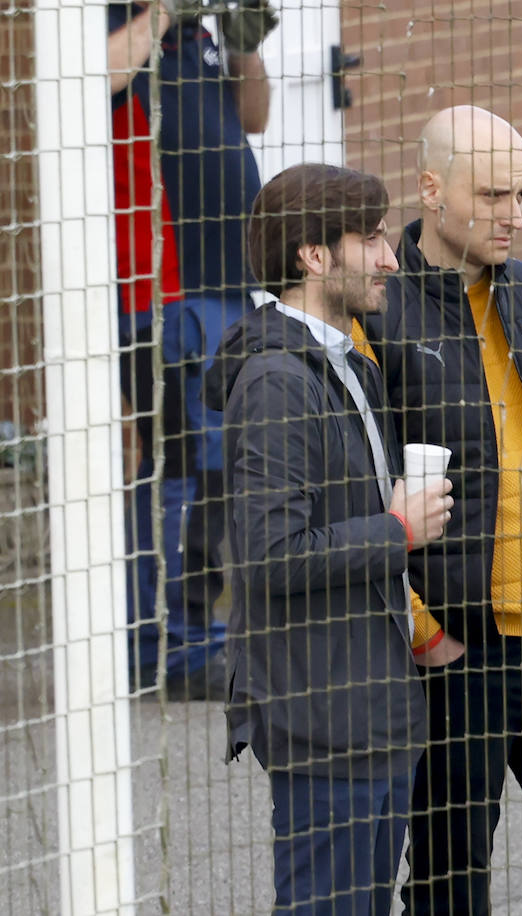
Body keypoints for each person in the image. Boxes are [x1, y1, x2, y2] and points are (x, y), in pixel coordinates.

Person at [202, 163, 454, 914]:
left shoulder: (347, 364)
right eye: (371, 238)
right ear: (314, 256)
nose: (390, 257)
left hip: (371, 716)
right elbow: (272, 554)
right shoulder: (279, 378)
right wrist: (397, 529)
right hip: (325, 724)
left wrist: (419, 630)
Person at [364, 105, 522, 914]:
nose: (514, 215)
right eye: (492, 194)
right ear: (430, 188)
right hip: (458, 646)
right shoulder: (383, 310)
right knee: (452, 879)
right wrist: (422, 626)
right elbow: (368, 479)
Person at [107, 0, 276, 699]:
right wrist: (163, 13)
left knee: (214, 472)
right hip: (164, 292)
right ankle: (173, 652)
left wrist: (243, 46)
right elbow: (93, 79)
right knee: (185, 471)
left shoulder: (200, 36)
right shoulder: (110, 23)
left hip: (228, 284)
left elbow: (256, 115)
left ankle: (189, 639)